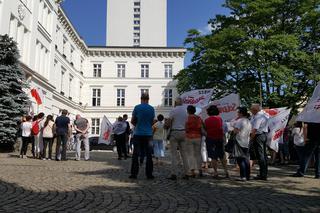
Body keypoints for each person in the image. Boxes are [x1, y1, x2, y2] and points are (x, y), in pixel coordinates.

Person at [129, 93, 155, 179]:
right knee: (149, 155)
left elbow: (132, 121)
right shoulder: (151, 109)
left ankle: (134, 174)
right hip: (148, 134)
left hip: (138, 134)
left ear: (141, 99)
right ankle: (149, 174)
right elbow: (152, 122)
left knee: (135, 154)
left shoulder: (137, 107)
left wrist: (137, 125)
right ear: (148, 99)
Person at [166, 97, 188, 180]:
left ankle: (174, 173)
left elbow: (168, 122)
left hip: (175, 132)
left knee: (174, 154)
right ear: (182, 103)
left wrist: (167, 126)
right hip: (183, 132)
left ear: (175, 103)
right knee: (184, 154)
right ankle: (187, 173)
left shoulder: (173, 110)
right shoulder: (185, 111)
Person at [204, 105, 229, 178]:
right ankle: (226, 171)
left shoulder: (206, 120)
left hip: (210, 139)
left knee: (213, 157)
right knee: (222, 155)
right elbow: (224, 130)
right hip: (219, 139)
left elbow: (205, 130)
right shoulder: (220, 119)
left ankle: (215, 172)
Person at [185, 105, 205, 178]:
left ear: (188, 111)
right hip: (198, 137)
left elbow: (186, 128)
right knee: (198, 154)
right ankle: (200, 170)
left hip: (189, 137)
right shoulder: (198, 118)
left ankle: (192, 171)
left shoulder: (186, 118)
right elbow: (201, 127)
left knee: (190, 155)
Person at [250, 104, 269, 180]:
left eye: (252, 109)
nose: (251, 111)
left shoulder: (259, 116)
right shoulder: (262, 115)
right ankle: (263, 173)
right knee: (263, 155)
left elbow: (255, 129)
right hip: (262, 135)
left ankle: (263, 174)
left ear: (255, 110)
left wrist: (251, 138)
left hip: (259, 136)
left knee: (261, 155)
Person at [233, 107, 252, 181]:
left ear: (241, 113)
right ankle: (247, 176)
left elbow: (235, 131)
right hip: (246, 141)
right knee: (246, 159)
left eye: (238, 113)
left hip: (239, 141)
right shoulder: (248, 121)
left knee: (240, 160)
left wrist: (233, 126)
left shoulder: (239, 121)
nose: (237, 114)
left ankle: (243, 176)